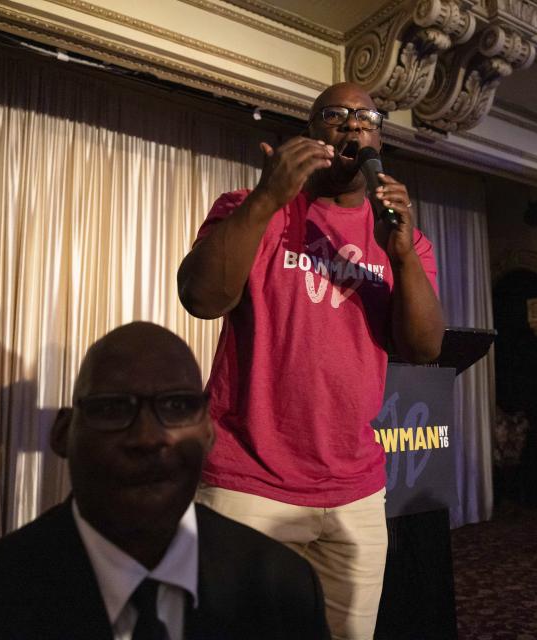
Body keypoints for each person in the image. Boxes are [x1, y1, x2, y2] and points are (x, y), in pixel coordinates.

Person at [177, 82, 444, 639]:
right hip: (246, 483)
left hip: (357, 492)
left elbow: (423, 348)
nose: (353, 125)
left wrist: (402, 254)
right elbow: (202, 298)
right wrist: (268, 198)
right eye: (336, 115)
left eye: (367, 117)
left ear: (378, 139)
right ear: (311, 132)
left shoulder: (403, 239)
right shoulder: (252, 210)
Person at [0, 322, 330, 639]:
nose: (148, 438)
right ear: (63, 432)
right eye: (111, 408)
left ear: (209, 431)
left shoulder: (282, 590)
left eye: (176, 407)